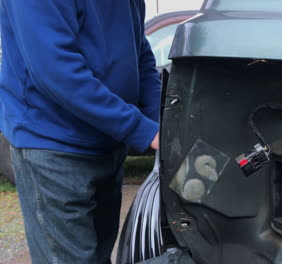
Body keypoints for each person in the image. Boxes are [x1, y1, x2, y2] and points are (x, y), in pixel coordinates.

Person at [0, 0, 161, 263]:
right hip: (53, 146)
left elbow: (140, 53)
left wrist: (158, 123)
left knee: (99, 255)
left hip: (107, 143)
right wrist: (140, 129)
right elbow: (57, 72)